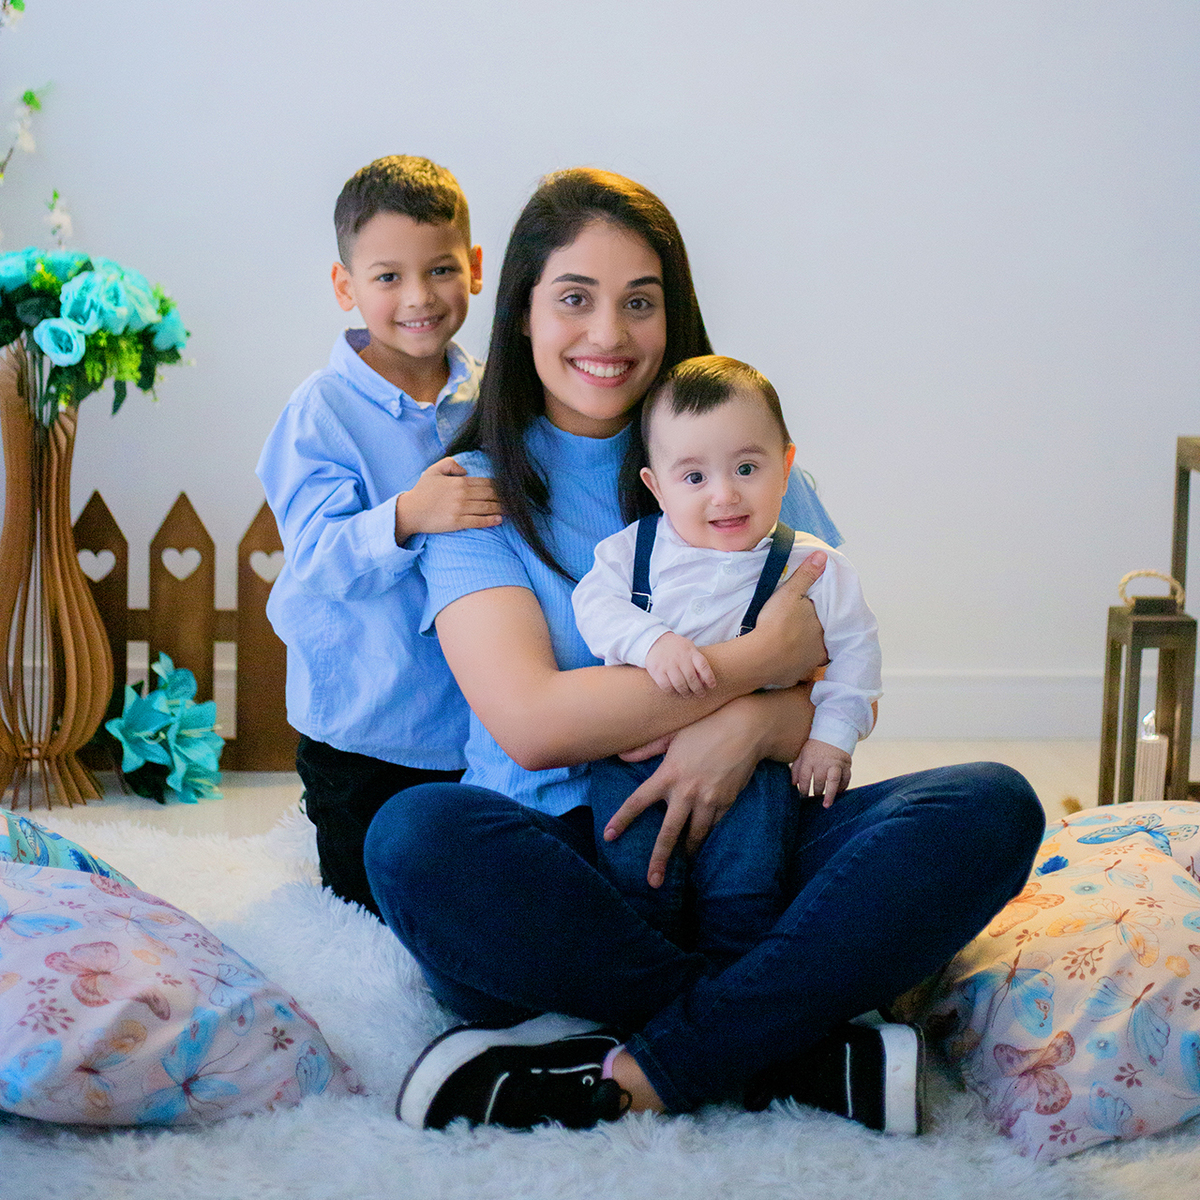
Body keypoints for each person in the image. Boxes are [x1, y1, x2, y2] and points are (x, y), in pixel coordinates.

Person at [363, 168, 1044, 1136]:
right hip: (566, 875)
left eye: (639, 302)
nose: (608, 335)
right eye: (575, 299)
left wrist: (755, 726)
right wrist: (743, 675)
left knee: (988, 807)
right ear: (519, 312)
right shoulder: (475, 489)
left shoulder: (735, 448)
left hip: (756, 840)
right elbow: (534, 725)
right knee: (414, 839)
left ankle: (665, 1057)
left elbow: (826, 677)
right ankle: (782, 1037)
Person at [573, 353, 881, 968]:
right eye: (693, 478)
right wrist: (650, 643)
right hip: (636, 759)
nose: (725, 495)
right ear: (655, 486)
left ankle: (737, 985)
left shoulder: (811, 564)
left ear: (786, 466)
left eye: (746, 467)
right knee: (638, 877)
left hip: (756, 770)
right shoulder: (632, 553)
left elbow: (856, 654)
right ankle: (656, 989)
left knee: (747, 886)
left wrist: (831, 739)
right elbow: (594, 607)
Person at [257, 155, 500, 914]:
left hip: (473, 725)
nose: (419, 297)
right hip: (363, 727)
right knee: (372, 906)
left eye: (439, 270)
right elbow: (320, 557)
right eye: (388, 277)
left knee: (473, 891)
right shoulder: (322, 411)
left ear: (477, 268)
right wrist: (408, 513)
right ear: (347, 288)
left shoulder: (491, 395)